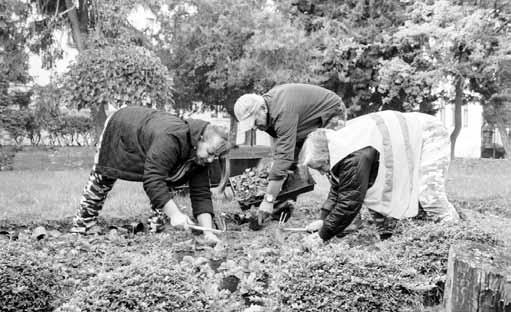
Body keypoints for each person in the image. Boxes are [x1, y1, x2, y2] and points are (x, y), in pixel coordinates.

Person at [71, 106, 233, 244]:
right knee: (104, 175)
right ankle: (83, 225)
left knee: (168, 177)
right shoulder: (171, 139)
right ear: (201, 139)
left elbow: (201, 193)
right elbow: (152, 179)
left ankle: (156, 225)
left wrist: (208, 232)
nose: (211, 160)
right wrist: (176, 214)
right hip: (122, 125)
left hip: (149, 132)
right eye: (210, 153)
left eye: (215, 157)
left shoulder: (201, 155)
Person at [300, 110, 460, 248]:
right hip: (406, 142)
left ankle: (455, 237)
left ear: (327, 156)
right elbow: (338, 189)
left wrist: (321, 236)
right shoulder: (338, 149)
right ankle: (403, 244)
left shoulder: (354, 157)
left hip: (428, 134)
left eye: (320, 167)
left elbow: (348, 204)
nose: (321, 173)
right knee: (386, 210)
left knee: (430, 197)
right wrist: (323, 220)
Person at [233, 83, 346, 224]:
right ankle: (283, 208)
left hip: (331, 112)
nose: (255, 127)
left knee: (332, 163)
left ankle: (347, 215)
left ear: (262, 109)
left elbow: (283, 158)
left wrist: (268, 199)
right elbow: (278, 153)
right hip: (303, 122)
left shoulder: (283, 113)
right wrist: (274, 169)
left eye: (255, 122)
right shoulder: (268, 112)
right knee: (288, 166)